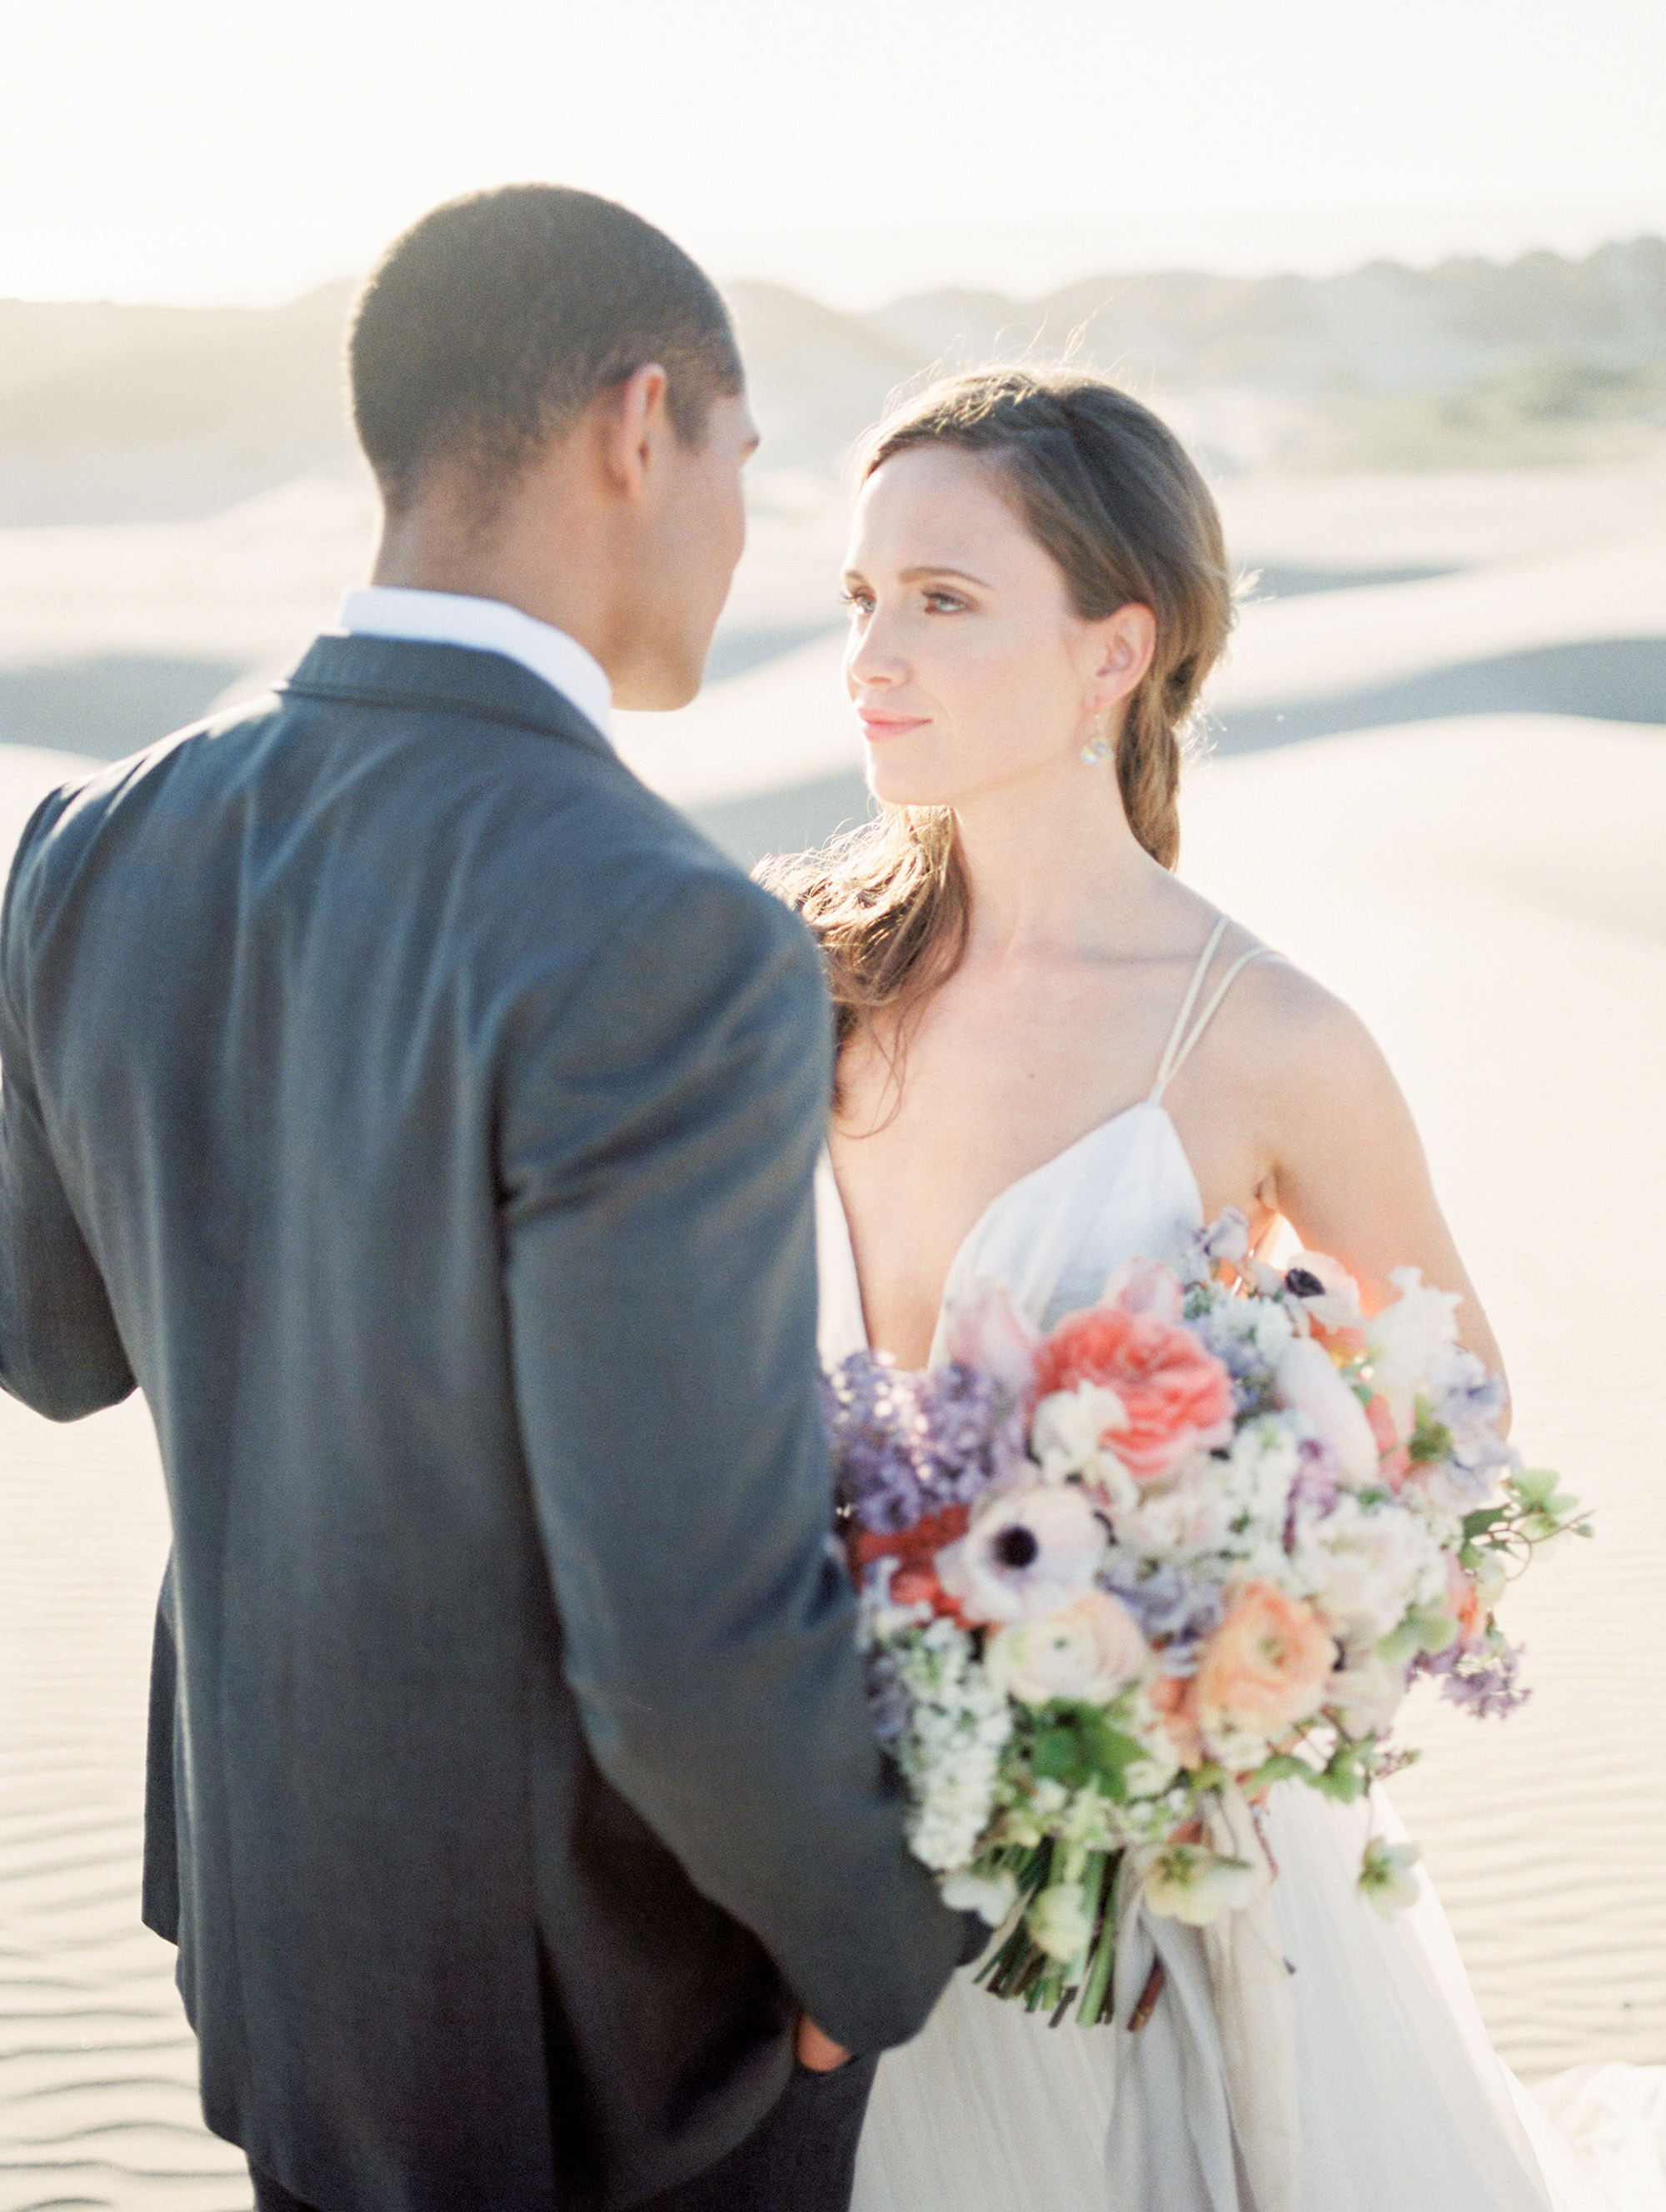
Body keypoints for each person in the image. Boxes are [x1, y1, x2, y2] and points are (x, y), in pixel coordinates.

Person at [0, 185, 975, 2212]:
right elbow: (685, 1628)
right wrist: (867, 1950)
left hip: (289, 1960)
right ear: (642, 427)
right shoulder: (674, 930)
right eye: (741, 463)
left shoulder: (86, 846)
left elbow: (58, 1341)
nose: (736, 533)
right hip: (616, 2033)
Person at [766, 366, 1664, 2210]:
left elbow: (1458, 1413)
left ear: (1116, 650)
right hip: (825, 1833)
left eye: (942, 599)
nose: (873, 648)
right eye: (860, 596)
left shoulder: (1261, 1031)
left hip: (1160, 1852)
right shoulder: (791, 975)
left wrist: (1221, 1648)